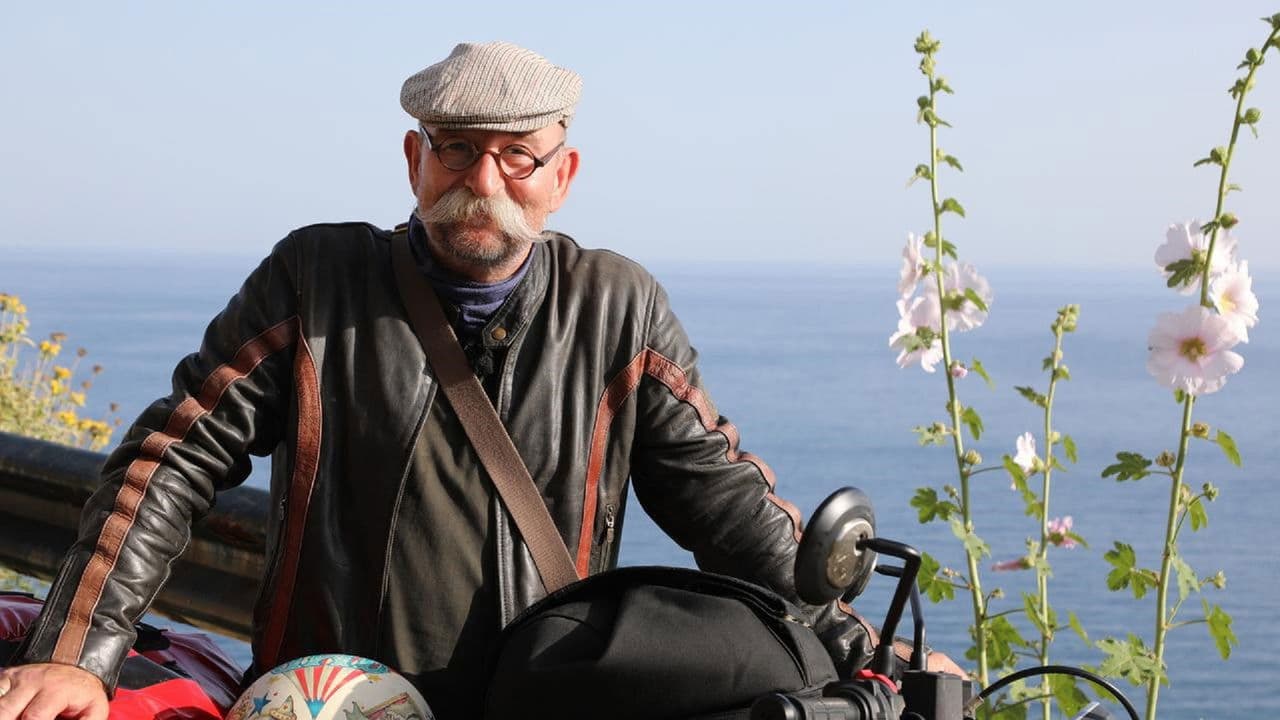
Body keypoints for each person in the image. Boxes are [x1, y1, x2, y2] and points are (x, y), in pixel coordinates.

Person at [0, 41, 959, 720]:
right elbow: (172, 460)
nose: (483, 179)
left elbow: (731, 513)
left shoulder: (618, 309)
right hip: (337, 704)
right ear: (414, 159)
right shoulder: (315, 278)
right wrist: (77, 655)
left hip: (540, 700)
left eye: (516, 155)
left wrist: (872, 653)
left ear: (562, 173)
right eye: (456, 147)